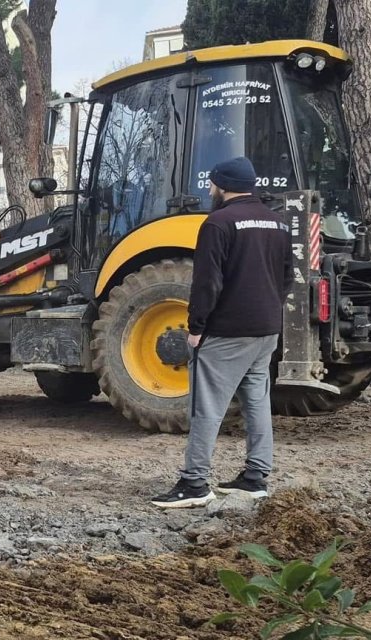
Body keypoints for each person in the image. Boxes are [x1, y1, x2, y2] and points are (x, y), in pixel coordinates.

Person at [151, 156, 292, 509]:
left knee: (207, 406)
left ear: (223, 185)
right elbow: (288, 276)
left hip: (228, 331)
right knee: (257, 401)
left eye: (213, 183)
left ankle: (194, 483)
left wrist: (196, 327)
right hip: (266, 330)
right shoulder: (277, 223)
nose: (211, 188)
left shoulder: (218, 223)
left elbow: (207, 283)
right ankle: (255, 477)